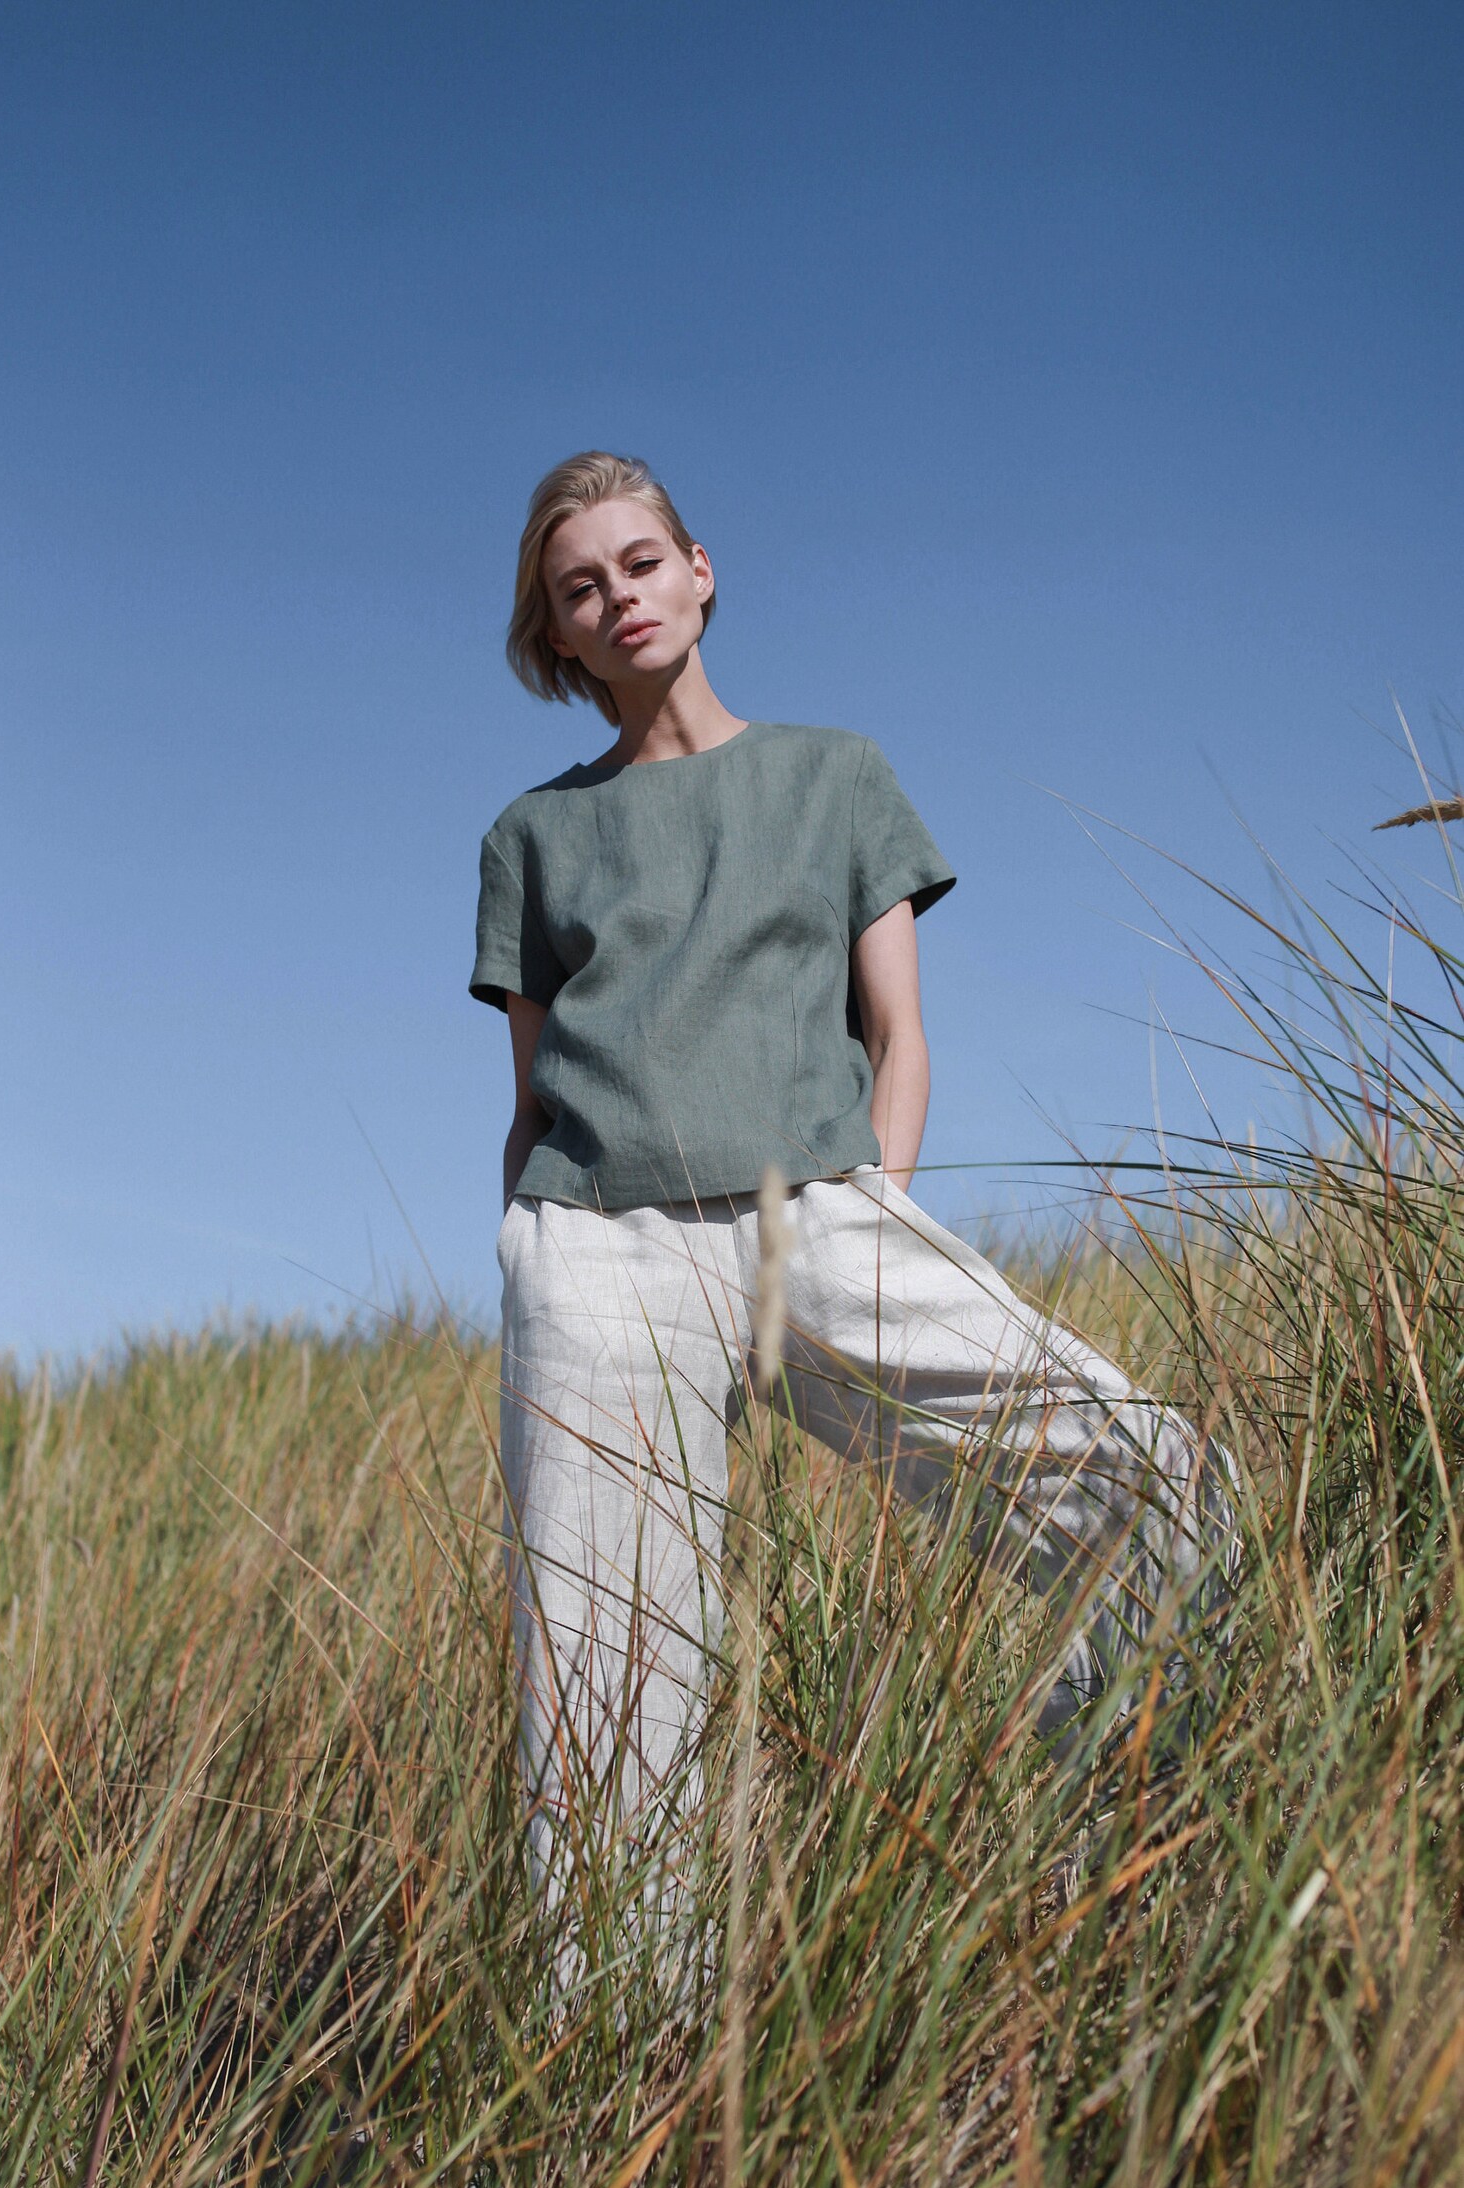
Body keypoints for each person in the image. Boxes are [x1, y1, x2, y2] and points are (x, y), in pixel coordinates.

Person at [471, 451, 1235, 1938]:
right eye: (580, 588)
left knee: (1152, 1481)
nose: (617, 597)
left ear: (701, 572)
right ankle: (633, 2079)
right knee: (607, 1701)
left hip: (815, 1213)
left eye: (640, 563)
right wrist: (537, 1267)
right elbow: (528, 1098)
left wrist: (875, 1198)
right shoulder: (532, 836)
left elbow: (901, 1034)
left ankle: (1093, 1869)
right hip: (598, 1252)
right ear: (557, 636)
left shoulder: (835, 774)